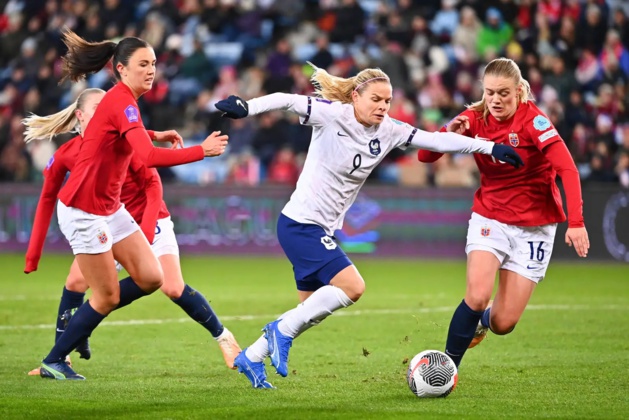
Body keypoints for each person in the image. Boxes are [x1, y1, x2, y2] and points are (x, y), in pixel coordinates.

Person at [214, 62, 524, 389]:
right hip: (301, 225)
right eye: (376, 99)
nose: (382, 107)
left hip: (319, 230)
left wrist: (490, 147)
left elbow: (437, 142)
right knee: (353, 287)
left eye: (387, 101)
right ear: (356, 96)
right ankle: (279, 332)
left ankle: (251, 355)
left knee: (308, 310)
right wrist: (248, 107)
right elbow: (288, 100)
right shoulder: (333, 114)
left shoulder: (389, 130)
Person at [33, 29, 229, 380]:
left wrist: (158, 132)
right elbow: (147, 156)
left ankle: (84, 320)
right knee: (105, 296)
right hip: (83, 209)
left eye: (153, 63)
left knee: (152, 276)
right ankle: (56, 358)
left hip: (108, 207)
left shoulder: (123, 101)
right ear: (121, 69)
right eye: (142, 64)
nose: (151, 70)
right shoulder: (122, 100)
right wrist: (203, 150)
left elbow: (128, 132)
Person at [417, 57, 589, 370]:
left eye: (503, 93)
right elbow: (425, 155)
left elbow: (567, 169)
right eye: (490, 92)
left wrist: (575, 222)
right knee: (478, 293)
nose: (495, 100)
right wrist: (447, 131)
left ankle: (483, 321)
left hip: (535, 227)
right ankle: (445, 371)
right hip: (490, 217)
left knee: (504, 322)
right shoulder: (474, 117)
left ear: (519, 91)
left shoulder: (533, 122)